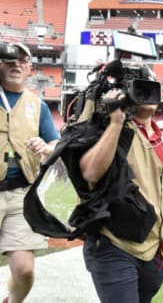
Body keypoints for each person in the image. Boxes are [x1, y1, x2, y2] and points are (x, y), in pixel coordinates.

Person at [78, 72, 163, 302]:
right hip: (112, 241)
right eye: (139, 87)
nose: (146, 93)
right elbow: (91, 173)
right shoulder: (106, 129)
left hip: (153, 247)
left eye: (152, 86)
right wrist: (115, 122)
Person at [0, 43, 59, 303]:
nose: (16, 64)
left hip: (21, 193)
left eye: (23, 61)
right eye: (10, 60)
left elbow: (56, 143)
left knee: (24, 270)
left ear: (30, 69)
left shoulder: (38, 106)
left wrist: (46, 147)